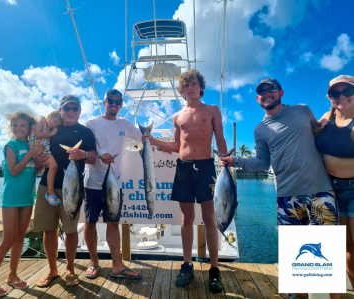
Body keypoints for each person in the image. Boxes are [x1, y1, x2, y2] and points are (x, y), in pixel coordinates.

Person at [220, 78, 340, 299]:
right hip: (286, 195)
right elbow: (262, 163)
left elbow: (321, 132)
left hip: (320, 190)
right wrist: (233, 161)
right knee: (296, 252)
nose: (266, 93)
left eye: (271, 89)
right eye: (261, 92)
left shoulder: (302, 110)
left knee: (328, 253)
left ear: (281, 92)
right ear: (257, 99)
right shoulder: (259, 130)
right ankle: (300, 295)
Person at [142, 69, 227, 293]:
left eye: (194, 84)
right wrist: (152, 140)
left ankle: (214, 270)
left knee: (209, 217)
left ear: (201, 87)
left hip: (206, 167)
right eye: (186, 85)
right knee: (187, 217)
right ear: (182, 90)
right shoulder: (177, 116)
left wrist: (226, 163)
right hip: (183, 169)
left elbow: (220, 139)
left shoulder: (212, 110)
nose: (190, 88)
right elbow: (176, 146)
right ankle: (187, 265)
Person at [33, 95, 96, 287]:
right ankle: (52, 270)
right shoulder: (52, 131)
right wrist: (38, 161)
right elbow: (38, 146)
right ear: (60, 111)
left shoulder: (85, 132)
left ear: (79, 111)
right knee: (49, 230)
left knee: (70, 231)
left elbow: (93, 157)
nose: (70, 111)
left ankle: (70, 269)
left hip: (73, 186)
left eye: (74, 108)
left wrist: (83, 154)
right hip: (47, 186)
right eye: (66, 108)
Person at [83, 89, 142, 280]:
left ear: (121, 105)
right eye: (111, 101)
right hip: (92, 183)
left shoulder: (124, 124)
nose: (115, 105)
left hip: (115, 184)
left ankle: (117, 265)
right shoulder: (91, 123)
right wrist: (101, 153)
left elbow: (143, 138)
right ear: (104, 102)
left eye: (118, 102)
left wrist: (169, 146)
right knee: (90, 222)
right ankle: (94, 262)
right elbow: (88, 146)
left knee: (113, 223)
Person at [0, 111, 44, 297]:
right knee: (8, 238)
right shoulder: (11, 145)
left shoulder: (34, 145)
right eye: (15, 125)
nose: (18, 129)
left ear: (29, 127)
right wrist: (31, 154)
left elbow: (32, 172)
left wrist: (41, 164)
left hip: (27, 197)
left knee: (20, 236)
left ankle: (12, 275)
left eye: (22, 125)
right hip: (11, 198)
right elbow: (15, 171)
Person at [315, 75, 354, 294]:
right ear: (329, 97)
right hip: (330, 190)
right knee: (342, 248)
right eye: (335, 93)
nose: (341, 97)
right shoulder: (326, 118)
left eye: (347, 92)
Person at [29, 111, 63, 205]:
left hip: (42, 151)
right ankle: (50, 193)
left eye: (56, 124)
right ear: (50, 116)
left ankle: (33, 193)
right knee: (54, 167)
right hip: (37, 150)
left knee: (47, 168)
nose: (54, 124)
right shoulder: (41, 121)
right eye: (55, 120)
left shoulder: (48, 128)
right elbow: (38, 134)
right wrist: (52, 133)